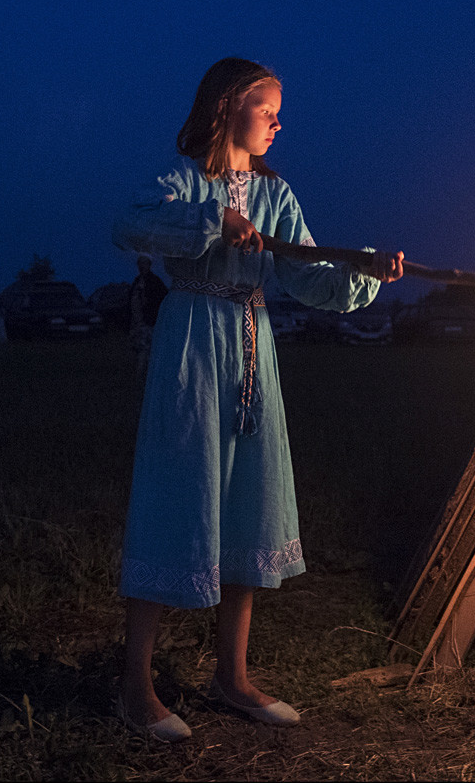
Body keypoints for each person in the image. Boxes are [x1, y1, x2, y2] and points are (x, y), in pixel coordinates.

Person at [111, 58, 403, 741]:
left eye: (278, 109)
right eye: (266, 106)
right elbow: (130, 225)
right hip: (191, 345)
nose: (278, 120)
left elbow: (304, 273)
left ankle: (232, 674)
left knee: (247, 498)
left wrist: (362, 269)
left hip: (250, 344)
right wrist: (214, 222)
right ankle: (134, 685)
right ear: (225, 108)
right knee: (178, 494)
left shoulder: (276, 194)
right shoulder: (183, 180)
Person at [128, 255, 168, 381]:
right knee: (138, 347)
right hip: (137, 322)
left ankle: (143, 375)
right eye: (140, 263)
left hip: (150, 321)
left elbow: (162, 298)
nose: (141, 266)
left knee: (147, 349)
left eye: (144, 263)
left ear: (149, 265)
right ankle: (140, 374)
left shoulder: (154, 281)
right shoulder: (137, 281)